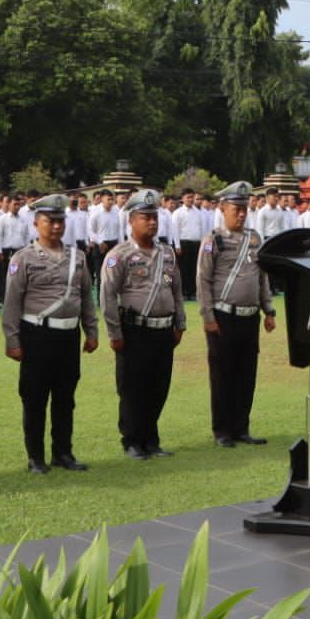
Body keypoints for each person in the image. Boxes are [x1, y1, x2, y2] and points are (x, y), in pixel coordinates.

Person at [1, 193, 97, 473]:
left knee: (65, 397)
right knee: (35, 398)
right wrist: (12, 339)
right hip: (37, 335)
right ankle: (35, 457)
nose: (56, 226)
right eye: (50, 221)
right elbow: (11, 303)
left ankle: (63, 453)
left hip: (68, 337)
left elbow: (87, 297)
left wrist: (91, 330)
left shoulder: (77, 257)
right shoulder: (23, 258)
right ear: (36, 223)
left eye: (60, 221)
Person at [101, 188, 185, 460]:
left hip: (163, 330)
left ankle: (151, 438)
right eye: (145, 216)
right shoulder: (120, 255)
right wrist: (115, 333)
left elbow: (177, 291)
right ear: (131, 220)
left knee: (158, 387)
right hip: (134, 330)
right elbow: (107, 296)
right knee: (132, 388)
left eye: (154, 216)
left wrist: (180, 323)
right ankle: (132, 440)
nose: (151, 221)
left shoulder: (167, 254)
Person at [197, 181, 276, 447]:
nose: (241, 214)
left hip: (249, 316)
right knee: (222, 375)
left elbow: (261, 277)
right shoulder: (213, 240)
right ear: (223, 209)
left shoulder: (254, 239)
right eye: (236, 209)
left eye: (244, 208)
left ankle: (241, 427)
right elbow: (203, 281)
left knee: (246, 373)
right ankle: (222, 430)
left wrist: (269, 310)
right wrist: (208, 317)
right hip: (223, 316)